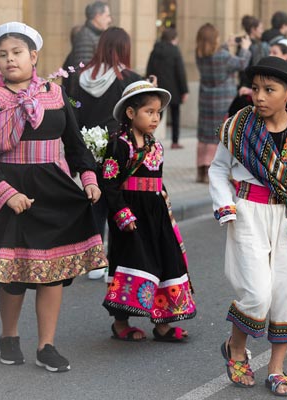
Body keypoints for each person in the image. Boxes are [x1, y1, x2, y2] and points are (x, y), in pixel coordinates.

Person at [0, 21, 107, 372]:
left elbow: (74, 144)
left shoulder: (55, 94)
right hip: (11, 191)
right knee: (13, 272)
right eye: (3, 55)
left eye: (17, 53)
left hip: (53, 190)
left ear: (34, 56)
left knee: (53, 271)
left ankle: (47, 345)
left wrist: (88, 177)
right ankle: (9, 337)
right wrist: (5, 193)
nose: (10, 60)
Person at [208, 56, 287, 395]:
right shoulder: (239, 127)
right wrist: (225, 205)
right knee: (256, 294)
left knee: (286, 294)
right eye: (256, 88)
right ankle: (236, 348)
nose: (260, 96)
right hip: (249, 213)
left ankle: (277, 369)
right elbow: (218, 170)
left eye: (270, 89)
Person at [100, 80, 196, 342]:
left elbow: (158, 179)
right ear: (131, 113)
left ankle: (163, 323)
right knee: (132, 262)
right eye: (149, 112)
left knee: (166, 260)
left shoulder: (156, 145)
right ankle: (121, 323)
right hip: (131, 214)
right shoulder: (120, 144)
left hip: (156, 211)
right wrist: (121, 214)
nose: (155, 118)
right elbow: (108, 182)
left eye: (158, 113)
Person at [76, 26, 142, 280]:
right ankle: (116, 262)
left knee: (94, 201)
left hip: (87, 148)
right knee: (118, 200)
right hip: (119, 149)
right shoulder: (131, 79)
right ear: (125, 49)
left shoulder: (80, 78)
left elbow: (71, 104)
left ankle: (95, 262)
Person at [195, 23, 251, 183]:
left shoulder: (199, 55)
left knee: (204, 134)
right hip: (222, 99)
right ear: (214, 39)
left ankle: (201, 170)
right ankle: (211, 170)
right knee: (217, 133)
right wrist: (245, 48)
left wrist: (227, 44)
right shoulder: (223, 57)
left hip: (205, 98)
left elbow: (214, 52)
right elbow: (241, 63)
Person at [146, 28, 189, 149]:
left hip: (157, 89)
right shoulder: (175, 50)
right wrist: (184, 90)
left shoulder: (155, 50)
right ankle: (175, 141)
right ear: (173, 38)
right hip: (174, 89)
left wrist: (148, 85)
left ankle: (148, 138)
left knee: (155, 114)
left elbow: (149, 69)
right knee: (175, 115)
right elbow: (180, 72)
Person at [67, 1, 112, 98]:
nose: (110, 20)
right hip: (84, 98)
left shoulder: (96, 35)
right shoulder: (85, 37)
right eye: (107, 15)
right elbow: (82, 72)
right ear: (97, 16)